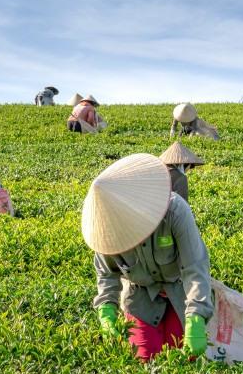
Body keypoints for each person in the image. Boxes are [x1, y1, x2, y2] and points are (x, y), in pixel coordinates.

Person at [84, 153, 212, 361]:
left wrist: (196, 316)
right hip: (140, 298)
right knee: (144, 359)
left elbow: (195, 267)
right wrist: (106, 310)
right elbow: (107, 274)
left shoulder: (175, 211)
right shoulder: (106, 229)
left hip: (180, 292)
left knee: (183, 356)